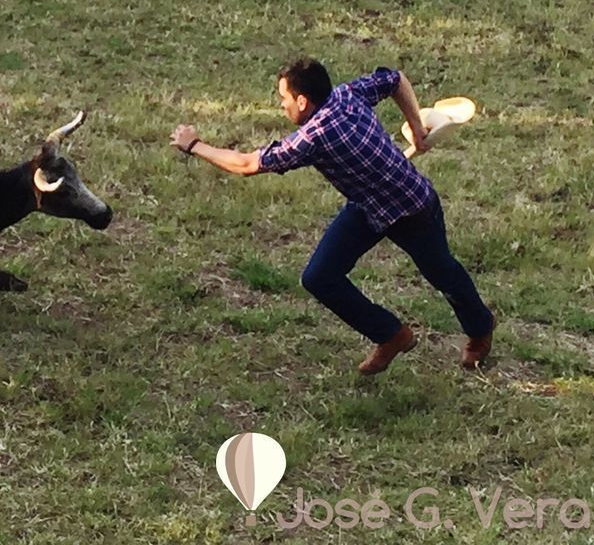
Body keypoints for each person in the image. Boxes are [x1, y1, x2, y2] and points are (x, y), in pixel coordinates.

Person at [170, 58, 494, 375]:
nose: (281, 106)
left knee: (442, 272)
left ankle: (480, 330)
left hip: (410, 205)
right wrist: (415, 125)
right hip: (367, 204)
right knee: (319, 277)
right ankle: (390, 335)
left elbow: (246, 165)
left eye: (283, 99)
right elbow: (396, 79)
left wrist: (194, 144)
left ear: (302, 100)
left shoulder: (314, 137)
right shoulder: (346, 94)